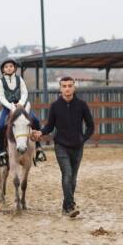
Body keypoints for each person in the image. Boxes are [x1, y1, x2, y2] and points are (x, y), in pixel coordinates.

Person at [32, 76, 94, 218]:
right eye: (64, 86)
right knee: (67, 174)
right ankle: (71, 206)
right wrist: (41, 132)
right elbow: (49, 126)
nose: (67, 88)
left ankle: (65, 207)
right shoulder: (55, 106)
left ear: (74, 87)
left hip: (78, 147)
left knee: (73, 179)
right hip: (61, 146)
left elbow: (91, 126)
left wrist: (82, 139)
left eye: (69, 86)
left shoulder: (82, 105)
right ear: (60, 88)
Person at [0, 57, 46, 167]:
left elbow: (24, 93)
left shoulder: (19, 79)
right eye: (6, 67)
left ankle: (38, 147)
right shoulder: (0, 82)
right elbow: (1, 97)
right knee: (0, 125)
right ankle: (1, 151)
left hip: (21, 106)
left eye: (11, 66)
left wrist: (21, 103)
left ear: (14, 68)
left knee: (36, 120)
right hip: (8, 107)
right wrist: (10, 106)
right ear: (3, 69)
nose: (9, 68)